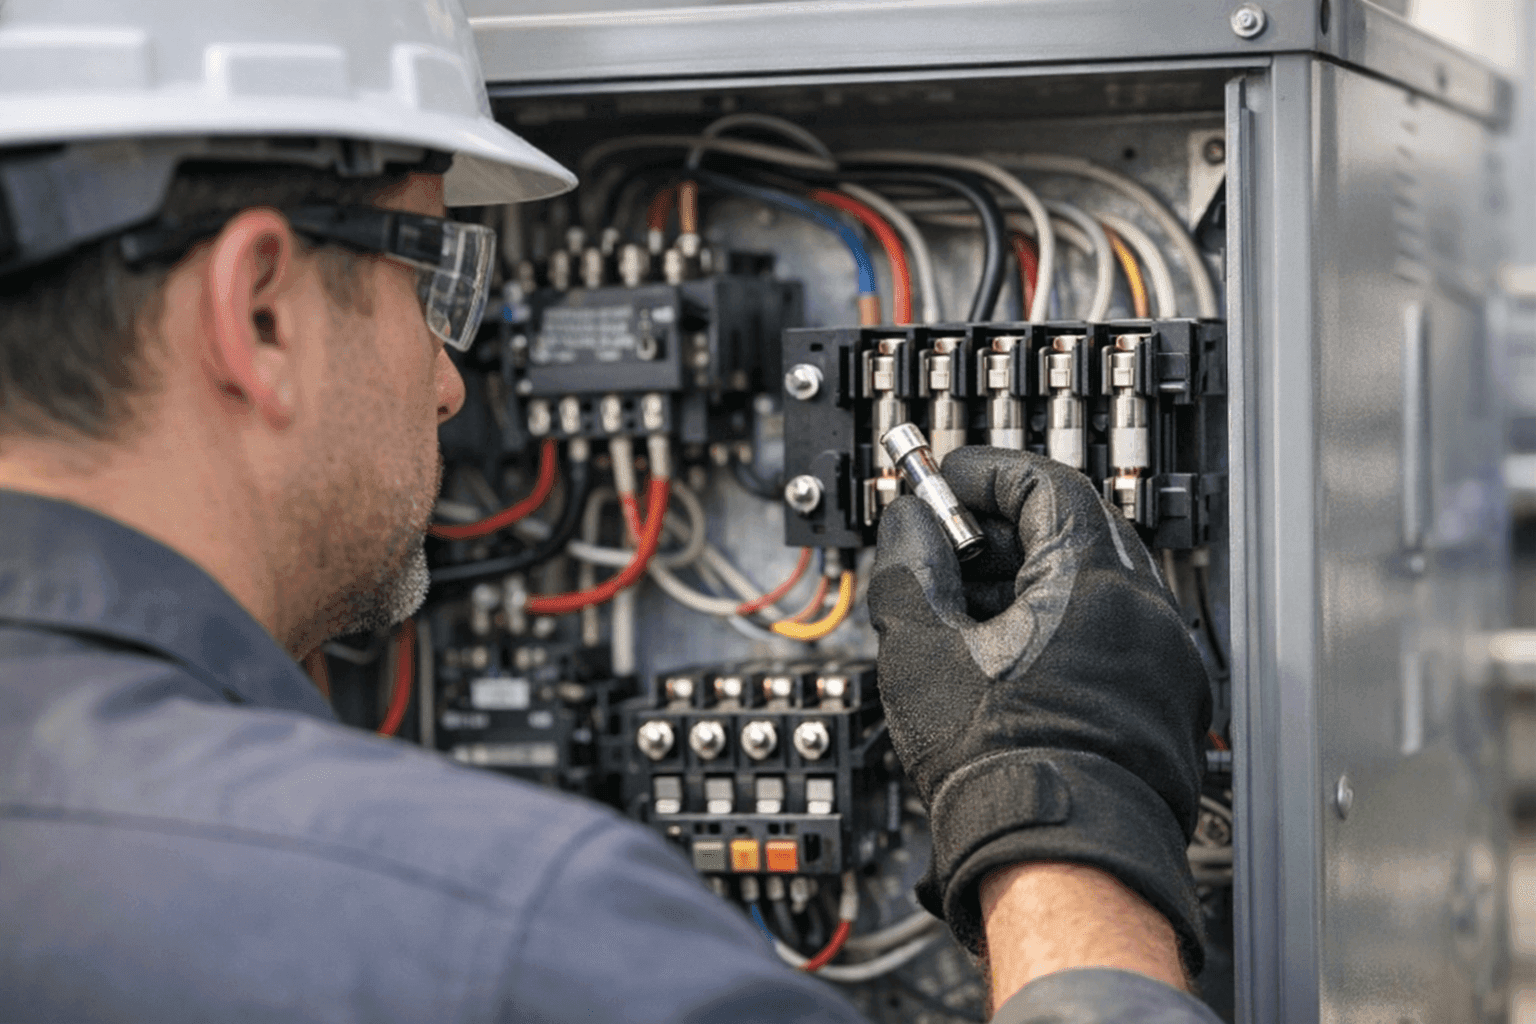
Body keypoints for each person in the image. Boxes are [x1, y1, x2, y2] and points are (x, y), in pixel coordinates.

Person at [0, 2, 1219, 1021]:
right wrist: (1057, 800)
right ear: (259, 312)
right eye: (430, 272)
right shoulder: (517, 936)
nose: (451, 381)